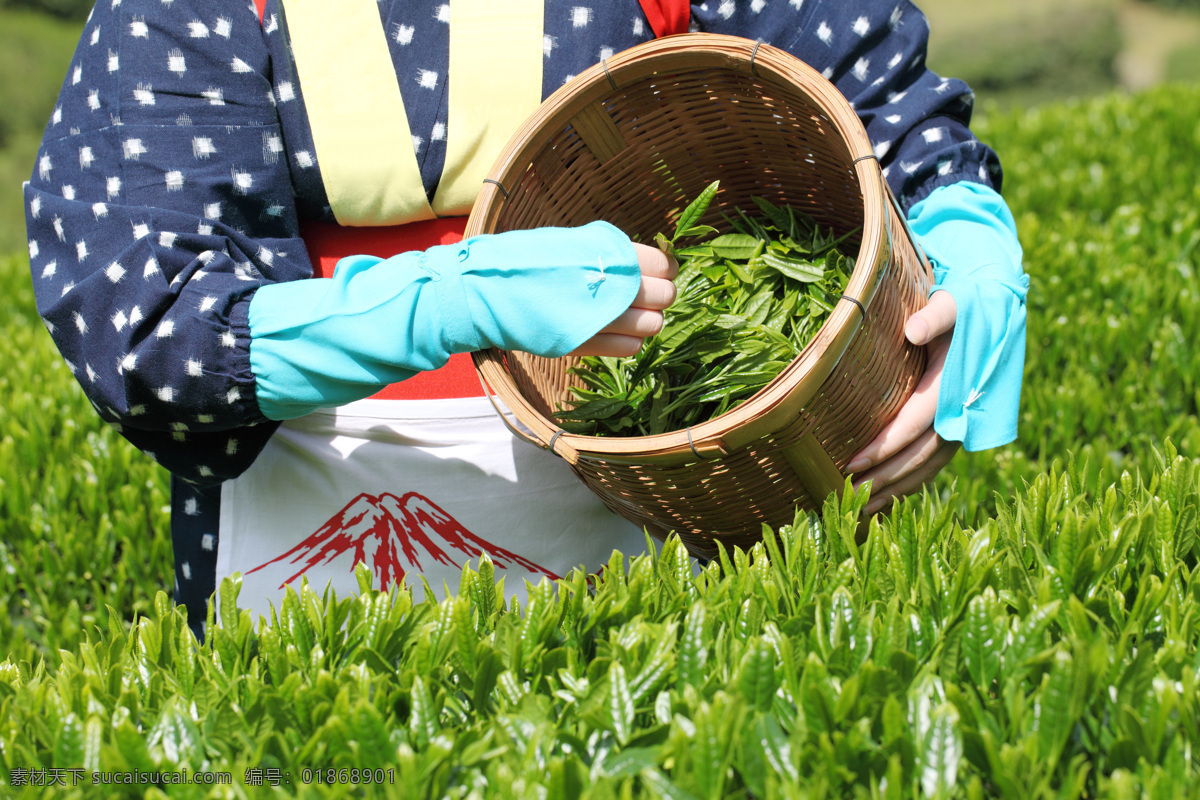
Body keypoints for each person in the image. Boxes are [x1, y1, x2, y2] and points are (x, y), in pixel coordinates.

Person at [24, 0, 1027, 636]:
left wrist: (956, 225)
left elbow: (866, 97)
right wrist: (442, 301)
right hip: (311, 546)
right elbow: (153, 338)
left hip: (662, 514)